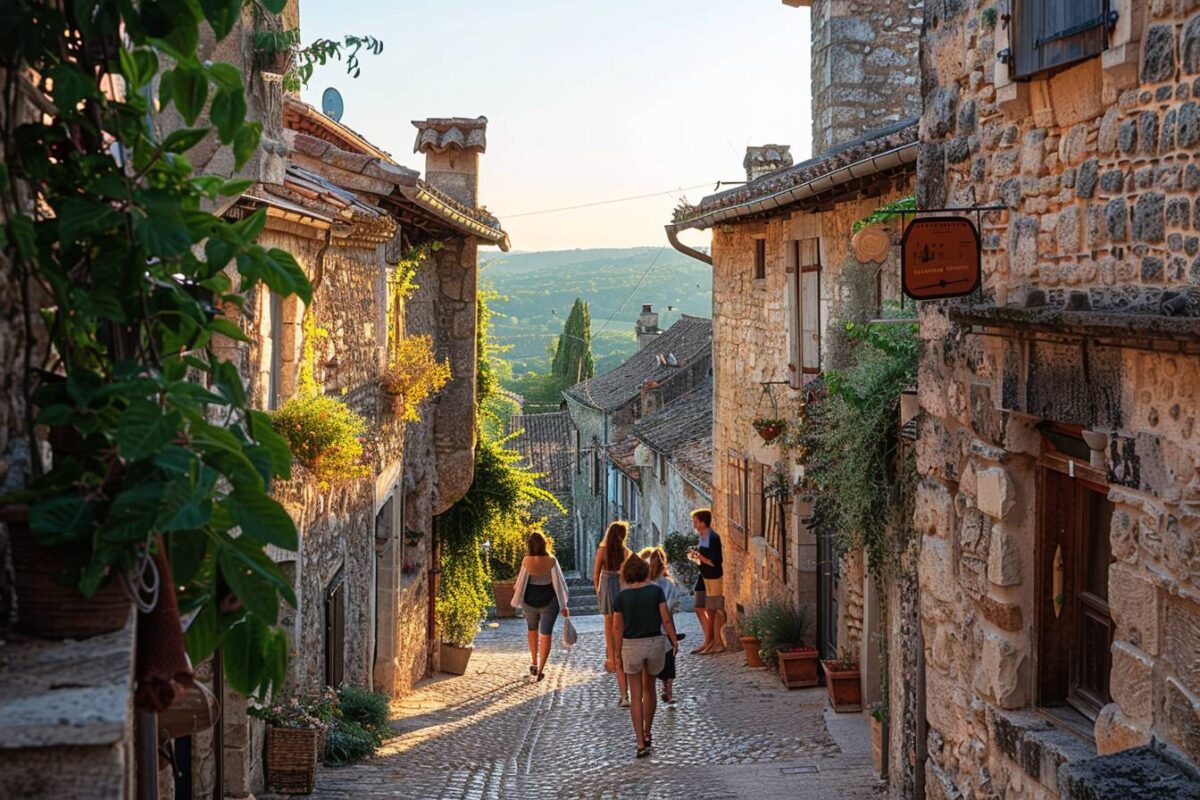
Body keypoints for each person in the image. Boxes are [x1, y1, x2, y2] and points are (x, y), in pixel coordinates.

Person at [613, 552, 680, 758]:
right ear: (644, 571)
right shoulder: (655, 591)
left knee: (635, 693)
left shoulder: (621, 596)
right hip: (654, 644)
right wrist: (674, 640)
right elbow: (666, 619)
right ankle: (648, 732)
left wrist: (616, 653)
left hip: (631, 646)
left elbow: (617, 627)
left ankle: (640, 743)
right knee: (649, 689)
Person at [511, 531, 570, 681]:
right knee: (546, 634)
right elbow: (560, 583)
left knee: (532, 630)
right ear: (545, 544)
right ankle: (541, 669)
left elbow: (520, 582)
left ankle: (534, 662)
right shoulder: (552, 560)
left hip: (529, 601)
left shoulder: (526, 561)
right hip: (550, 601)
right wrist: (564, 605)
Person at [593, 521, 633, 705]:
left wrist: (598, 590)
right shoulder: (626, 552)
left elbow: (596, 572)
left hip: (607, 584)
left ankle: (611, 658)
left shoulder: (603, 549)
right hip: (621, 585)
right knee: (621, 625)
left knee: (608, 625)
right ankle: (621, 653)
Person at [640, 546, 684, 704]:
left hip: (648, 630)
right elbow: (671, 609)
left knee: (650, 664)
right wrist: (674, 638)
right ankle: (668, 691)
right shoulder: (669, 585)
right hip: (665, 629)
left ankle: (650, 694)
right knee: (669, 660)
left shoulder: (643, 585)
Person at [690, 508, 726, 654]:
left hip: (713, 577)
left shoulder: (712, 537)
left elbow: (714, 561)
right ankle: (709, 641)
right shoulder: (704, 536)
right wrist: (697, 557)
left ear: (703, 522)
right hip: (706, 576)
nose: (694, 524)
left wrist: (699, 556)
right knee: (709, 609)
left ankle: (717, 642)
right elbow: (704, 559)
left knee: (716, 609)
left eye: (696, 521)